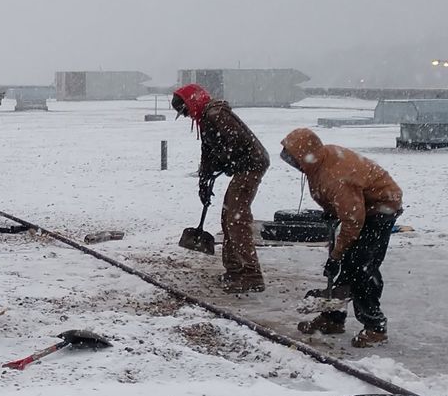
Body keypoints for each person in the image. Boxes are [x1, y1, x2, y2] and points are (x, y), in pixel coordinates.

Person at [276, 127, 403, 347]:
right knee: (348, 264)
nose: (293, 164)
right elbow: (342, 207)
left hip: (380, 208)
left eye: (294, 158)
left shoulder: (336, 175)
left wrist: (336, 254)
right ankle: (333, 319)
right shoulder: (318, 163)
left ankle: (375, 327)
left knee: (362, 267)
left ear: (307, 154)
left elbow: (353, 220)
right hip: (358, 208)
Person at [172, 83, 268, 292]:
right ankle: (235, 270)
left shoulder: (216, 114)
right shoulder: (205, 119)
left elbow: (236, 141)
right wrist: (204, 181)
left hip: (251, 166)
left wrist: (227, 161)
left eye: (185, 110)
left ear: (192, 102)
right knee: (228, 217)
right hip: (243, 167)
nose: (187, 116)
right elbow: (207, 152)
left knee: (237, 219)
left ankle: (251, 274)